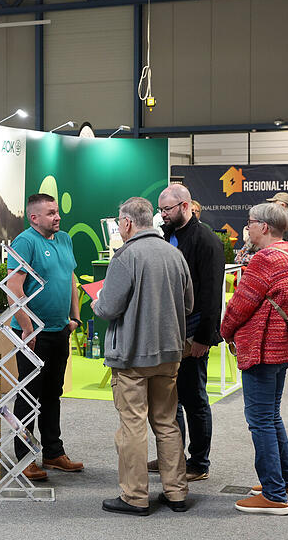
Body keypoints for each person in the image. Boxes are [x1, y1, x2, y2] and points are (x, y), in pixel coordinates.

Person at [93, 197, 194, 517]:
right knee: (167, 423)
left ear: (126, 224)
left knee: (132, 426)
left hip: (132, 356)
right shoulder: (175, 255)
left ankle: (135, 496)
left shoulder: (126, 256)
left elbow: (107, 307)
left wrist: (96, 304)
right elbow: (188, 305)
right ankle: (177, 492)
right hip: (169, 353)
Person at [220, 203, 288, 515]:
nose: (248, 228)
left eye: (251, 223)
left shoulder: (264, 260)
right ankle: (287, 483)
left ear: (265, 227)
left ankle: (273, 494)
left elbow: (241, 304)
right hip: (284, 346)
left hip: (262, 347)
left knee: (260, 421)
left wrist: (225, 331)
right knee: (272, 416)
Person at [6, 193, 84, 482]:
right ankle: (25, 458)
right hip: (32, 335)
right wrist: (27, 328)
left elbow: (71, 280)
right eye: (51, 213)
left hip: (59, 330)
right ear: (34, 217)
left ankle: (53, 452)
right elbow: (13, 287)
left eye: (57, 211)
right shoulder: (25, 242)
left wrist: (74, 318)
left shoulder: (64, 239)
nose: (57, 216)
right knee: (29, 396)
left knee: (53, 394)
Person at [153, 184, 224, 482]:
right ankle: (173, 456)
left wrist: (203, 339)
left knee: (194, 398)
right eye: (160, 210)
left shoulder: (206, 241)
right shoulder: (169, 235)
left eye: (167, 209)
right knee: (171, 399)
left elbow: (211, 296)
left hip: (194, 334)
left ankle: (199, 463)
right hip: (171, 332)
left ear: (185, 206)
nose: (162, 215)